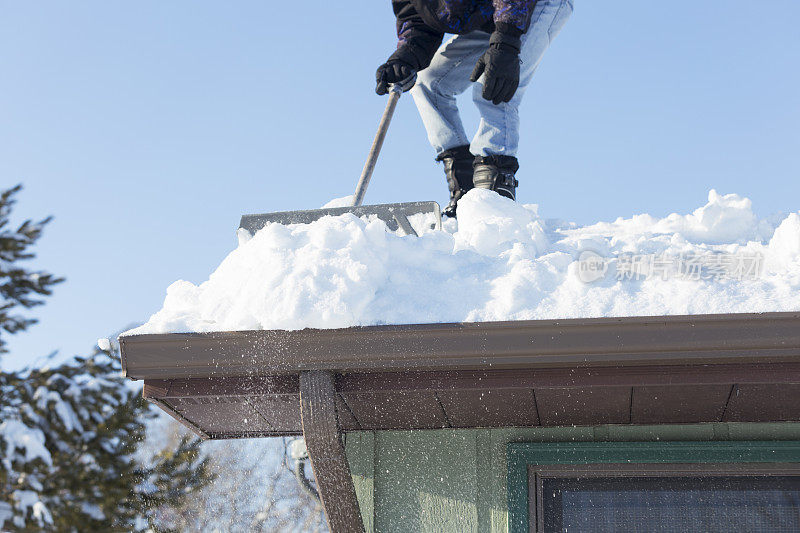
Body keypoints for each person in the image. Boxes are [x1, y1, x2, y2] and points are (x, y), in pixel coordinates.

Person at [376, 0, 573, 217]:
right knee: (428, 82)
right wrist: (406, 56)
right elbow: (417, 20)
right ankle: (467, 184)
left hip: (532, 6)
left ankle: (494, 194)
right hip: (491, 19)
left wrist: (505, 45)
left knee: (494, 86)